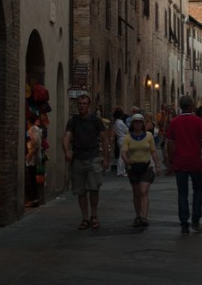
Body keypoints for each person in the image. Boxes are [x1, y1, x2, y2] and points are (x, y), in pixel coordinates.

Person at [62, 94, 110, 231]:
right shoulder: (73, 121)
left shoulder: (95, 120)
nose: (82, 106)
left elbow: (104, 138)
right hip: (78, 159)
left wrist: (106, 158)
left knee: (94, 188)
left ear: (89, 106)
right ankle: (84, 217)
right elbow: (66, 136)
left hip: (93, 158)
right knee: (80, 191)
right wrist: (67, 151)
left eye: (84, 104)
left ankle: (94, 215)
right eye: (80, 103)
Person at [166, 95, 202, 234]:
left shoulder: (174, 122)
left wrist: (171, 162)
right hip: (195, 162)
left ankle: (184, 224)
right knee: (198, 192)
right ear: (191, 107)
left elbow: (170, 145)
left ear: (180, 106)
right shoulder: (197, 121)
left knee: (182, 194)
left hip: (180, 163)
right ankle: (195, 221)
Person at [121, 113, 160, 228]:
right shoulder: (128, 137)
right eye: (136, 122)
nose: (138, 124)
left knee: (144, 191)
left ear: (143, 124)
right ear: (132, 124)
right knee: (136, 194)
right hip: (134, 168)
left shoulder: (149, 136)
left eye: (140, 122)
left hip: (146, 167)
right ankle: (138, 215)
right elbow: (123, 151)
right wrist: (127, 161)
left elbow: (153, 151)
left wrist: (157, 165)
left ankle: (144, 217)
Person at [25, 113, 41, 208]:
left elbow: (35, 145)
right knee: (32, 178)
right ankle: (34, 199)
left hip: (32, 158)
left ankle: (33, 200)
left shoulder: (33, 130)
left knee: (31, 179)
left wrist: (29, 155)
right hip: (34, 158)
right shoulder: (37, 129)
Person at [111, 107, 129, 176]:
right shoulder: (120, 122)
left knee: (121, 155)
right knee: (122, 156)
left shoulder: (116, 122)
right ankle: (121, 171)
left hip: (119, 139)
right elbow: (126, 130)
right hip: (123, 139)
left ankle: (121, 170)